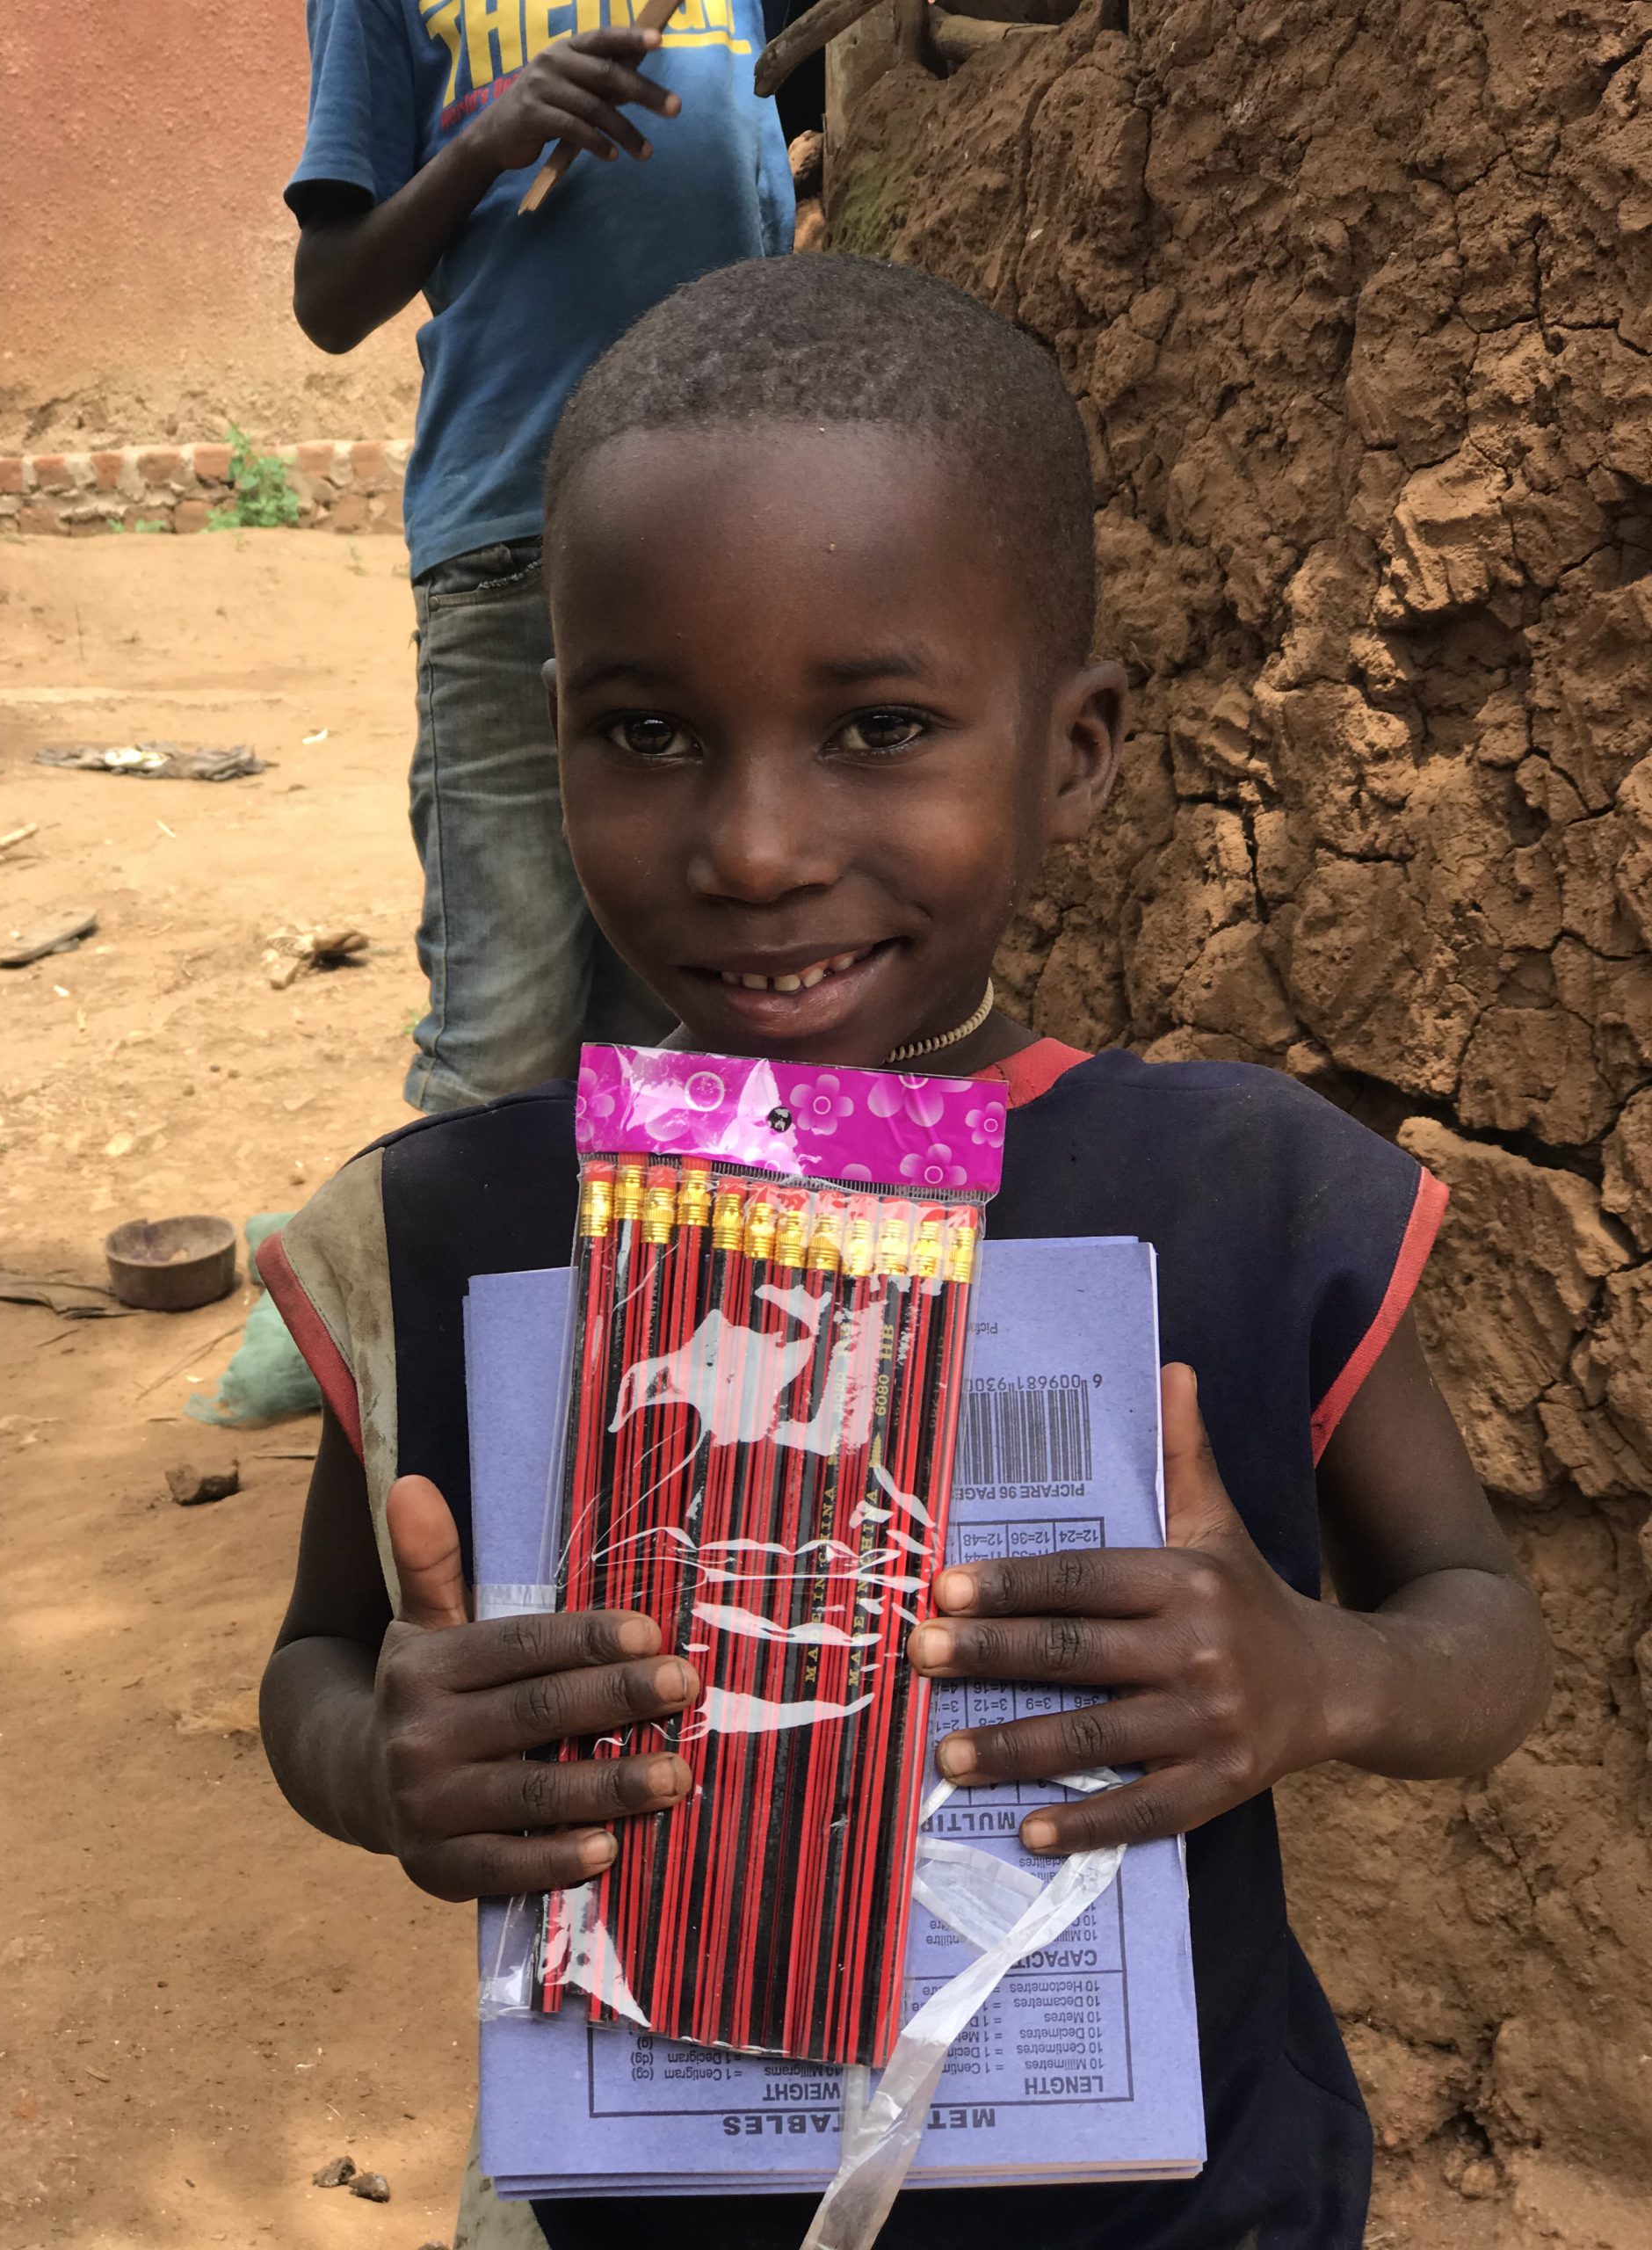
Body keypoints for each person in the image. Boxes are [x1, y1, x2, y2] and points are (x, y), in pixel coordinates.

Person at [257, 255, 1552, 2248]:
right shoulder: (456, 1229)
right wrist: (383, 1756)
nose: (755, 847)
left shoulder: (1246, 1190)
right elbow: (320, 1664)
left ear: (1074, 749)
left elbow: (1482, 1627)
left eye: (877, 725)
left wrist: (1319, 1674)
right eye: (648, 731)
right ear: (555, 735)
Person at [286, 0, 796, 1111]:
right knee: (504, 1050)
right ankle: (455, 1228)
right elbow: (327, 298)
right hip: (510, 544)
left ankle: (615, 1248)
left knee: (675, 1041)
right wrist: (485, 143)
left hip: (727, 558)